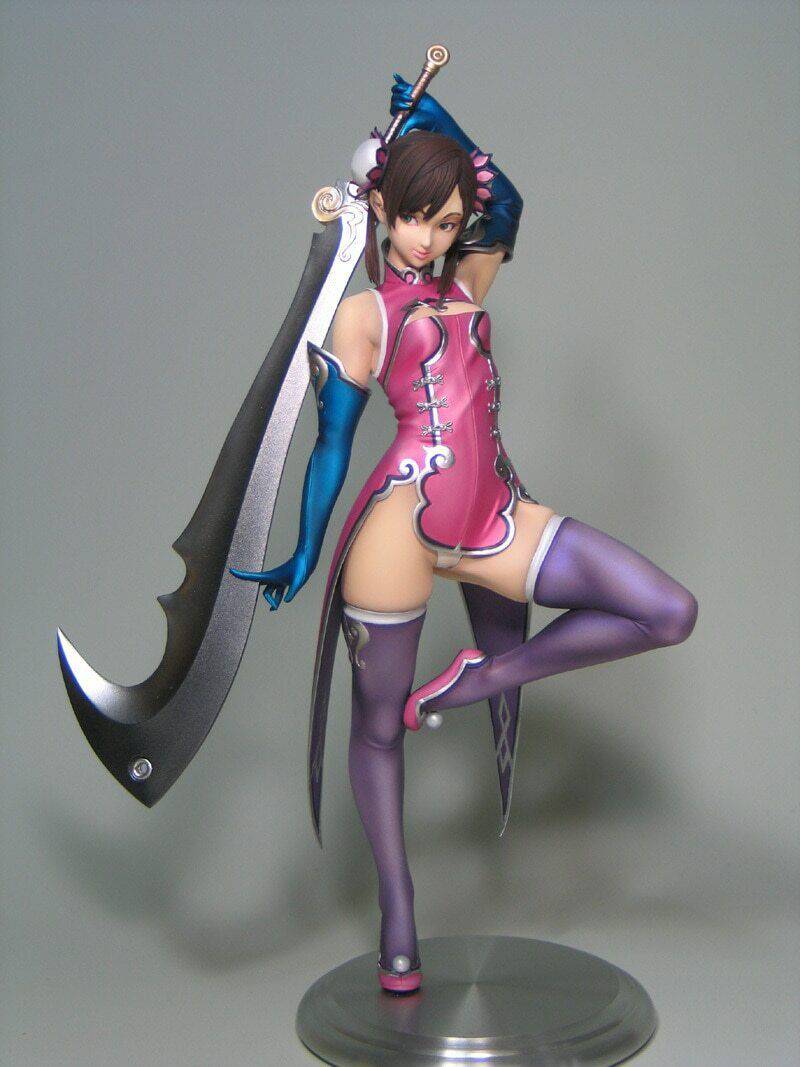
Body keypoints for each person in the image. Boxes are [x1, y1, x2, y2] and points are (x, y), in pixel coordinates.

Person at [232, 75, 698, 994]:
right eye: (416, 217)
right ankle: (398, 912)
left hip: (497, 515)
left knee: (666, 610)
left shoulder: (469, 281)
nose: (431, 238)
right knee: (378, 728)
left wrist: (433, 118)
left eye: (447, 222)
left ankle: (487, 675)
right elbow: (332, 445)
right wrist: (307, 545)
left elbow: (506, 201)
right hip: (399, 524)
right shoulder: (362, 317)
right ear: (380, 207)